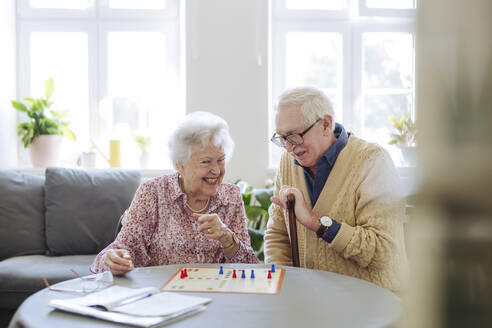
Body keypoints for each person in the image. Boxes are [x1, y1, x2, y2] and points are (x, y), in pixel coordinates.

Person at [264, 86, 408, 293]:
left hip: (374, 303)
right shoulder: (288, 162)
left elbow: (383, 251)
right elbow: (277, 234)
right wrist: (284, 286)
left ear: (325, 124)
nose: (288, 147)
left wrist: (317, 223)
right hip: (314, 302)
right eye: (282, 138)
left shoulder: (373, 161)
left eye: (294, 136)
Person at [92, 111, 258, 275]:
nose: (216, 170)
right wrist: (112, 259)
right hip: (161, 295)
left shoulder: (231, 196)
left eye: (221, 160)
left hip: (216, 294)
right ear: (180, 165)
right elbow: (122, 248)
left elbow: (250, 266)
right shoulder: (152, 193)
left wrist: (226, 237)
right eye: (206, 162)